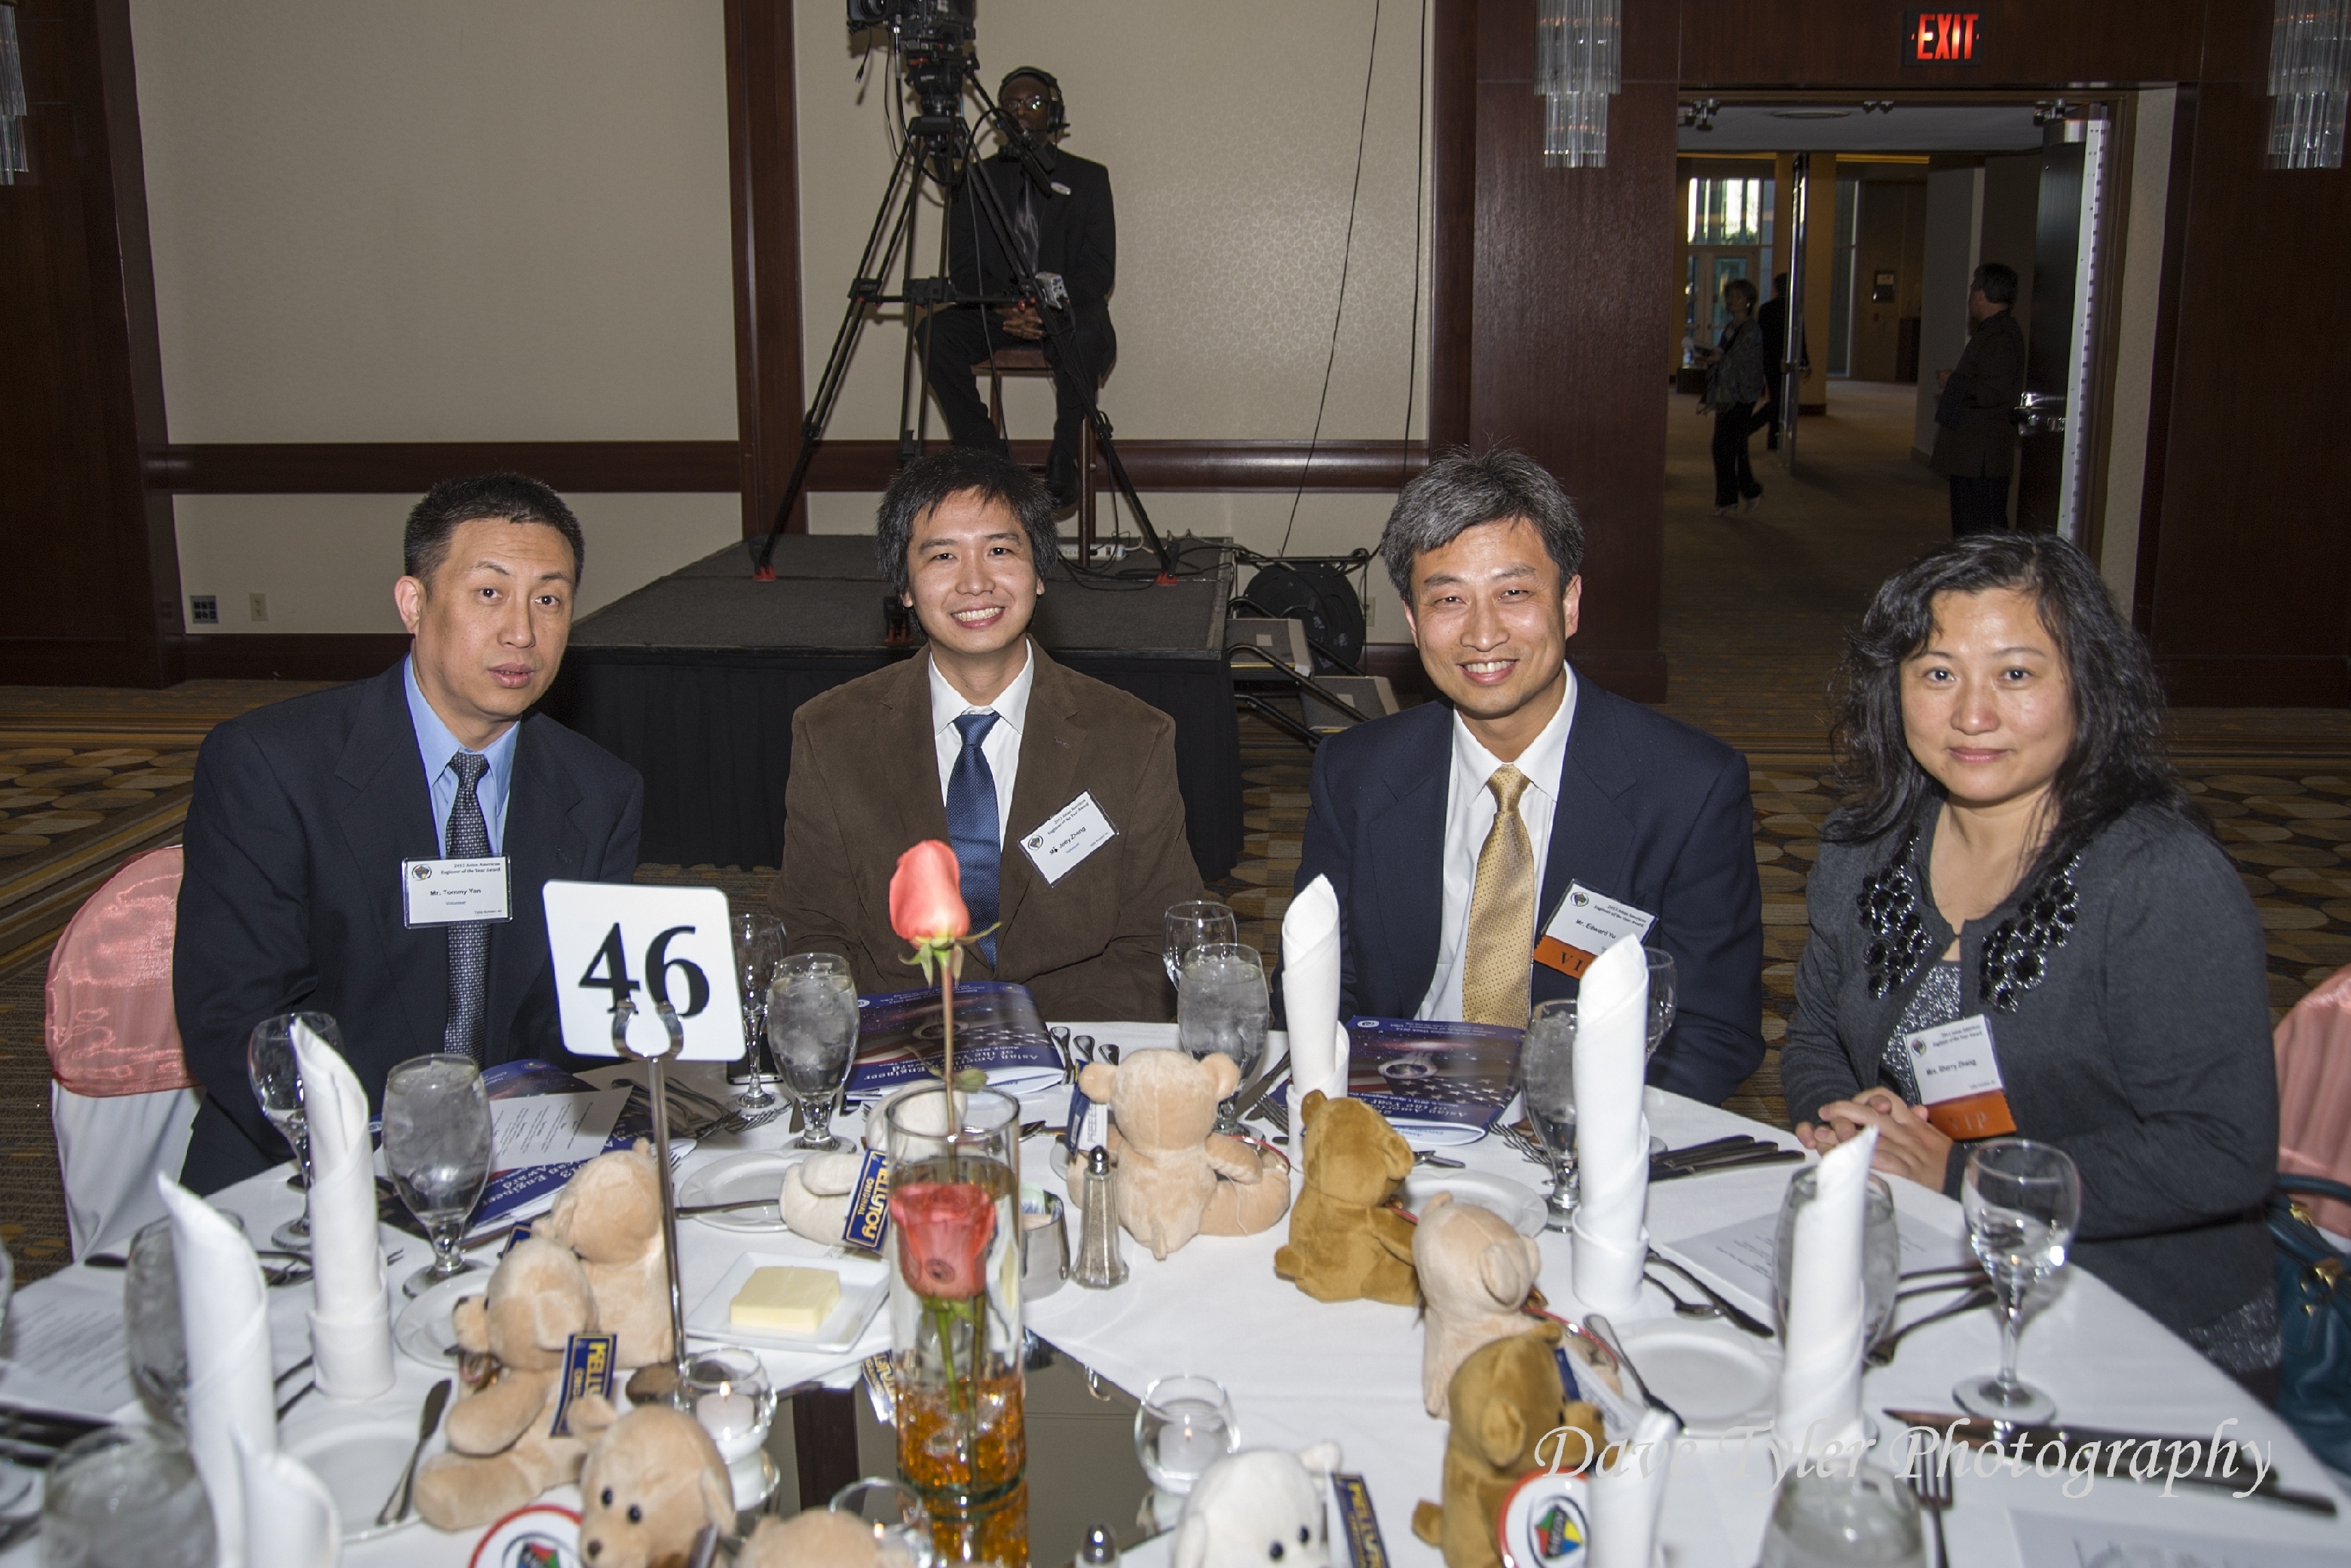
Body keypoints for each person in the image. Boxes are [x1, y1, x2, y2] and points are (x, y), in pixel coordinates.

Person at [1782, 533, 2279, 1394]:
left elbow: (2219, 1151)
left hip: (2141, 1323)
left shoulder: (2158, 880)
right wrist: (1848, 1124)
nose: (1972, 715)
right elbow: (1815, 1036)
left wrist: (1964, 1177)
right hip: (1922, 1277)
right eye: (1937, 674)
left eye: (2015, 674)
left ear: (2087, 683)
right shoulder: (1862, 849)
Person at [175, 474, 645, 1193]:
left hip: (512, 1160)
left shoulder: (601, 791)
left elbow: (573, 1024)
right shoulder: (271, 765)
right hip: (301, 1164)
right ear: (413, 603)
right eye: (488, 592)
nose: (522, 631)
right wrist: (381, 1164)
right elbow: (238, 1020)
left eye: (548, 600)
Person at [1294, 449, 1765, 1105]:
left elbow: (1710, 1032)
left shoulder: (1688, 787)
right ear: (1412, 621)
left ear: (1568, 603)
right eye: (1449, 599)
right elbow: (1323, 983)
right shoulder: (1356, 774)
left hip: (1584, 1119)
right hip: (1396, 1104)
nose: (1483, 633)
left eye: (1513, 593)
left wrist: (1572, 1127)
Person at [770, 446, 1204, 1021]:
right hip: (901, 1044)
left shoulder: (1131, 737)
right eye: (943, 556)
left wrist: (1032, 1038)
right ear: (905, 587)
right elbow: (811, 933)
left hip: (1072, 1042)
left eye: (999, 551)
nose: (975, 583)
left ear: (1039, 572)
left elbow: (1159, 939)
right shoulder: (831, 734)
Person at [920, 67, 1116, 513]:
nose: (1023, 111)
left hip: (1065, 311)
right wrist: (1006, 307)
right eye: (1012, 104)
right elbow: (964, 270)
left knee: (1089, 338)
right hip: (997, 311)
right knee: (934, 334)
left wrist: (1045, 307)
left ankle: (1064, 455)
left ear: (1054, 113)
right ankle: (988, 460)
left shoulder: (1089, 179)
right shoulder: (973, 179)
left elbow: (1098, 272)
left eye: (1034, 103)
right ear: (998, 118)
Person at [1930, 262, 2026, 536]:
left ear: (1982, 295)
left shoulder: (2001, 337)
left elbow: (1992, 393)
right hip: (1974, 454)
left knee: (1980, 529)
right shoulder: (1993, 332)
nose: (1970, 296)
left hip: (1982, 457)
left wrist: (1953, 382)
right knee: (1969, 526)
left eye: (1973, 289)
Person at [1693, 277, 1767, 517]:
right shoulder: (1730, 327)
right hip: (1726, 393)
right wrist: (1707, 358)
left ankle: (1740, 495)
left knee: (1728, 445)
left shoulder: (1752, 330)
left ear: (1748, 301)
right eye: (1730, 296)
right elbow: (1723, 353)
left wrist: (1718, 359)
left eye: (1738, 296)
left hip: (1742, 394)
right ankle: (1741, 494)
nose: (1732, 300)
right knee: (1729, 445)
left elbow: (1739, 359)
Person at [1753, 271, 1805, 453]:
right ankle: (1754, 429)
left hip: (1771, 360)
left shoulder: (1767, 309)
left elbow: (1761, 338)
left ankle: (1772, 438)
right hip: (1783, 360)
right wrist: (1803, 359)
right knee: (1779, 402)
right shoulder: (1793, 310)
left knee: (1777, 400)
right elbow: (1800, 337)